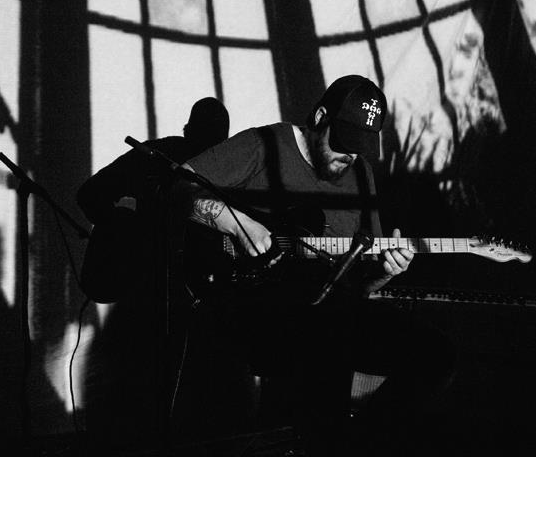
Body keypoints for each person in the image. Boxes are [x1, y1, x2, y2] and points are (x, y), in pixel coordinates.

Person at [173, 75, 459, 454]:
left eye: (360, 146)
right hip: (255, 308)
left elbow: (358, 287)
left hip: (330, 313)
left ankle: (356, 447)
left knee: (435, 354)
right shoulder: (264, 145)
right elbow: (176, 185)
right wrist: (238, 225)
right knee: (327, 338)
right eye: (343, 141)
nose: (350, 156)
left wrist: (383, 273)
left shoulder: (361, 174)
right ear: (320, 117)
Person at [77, 96, 230, 302]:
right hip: (154, 291)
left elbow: (90, 194)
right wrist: (129, 233)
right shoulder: (156, 156)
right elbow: (91, 193)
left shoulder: (161, 154)